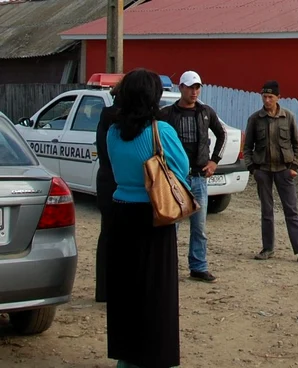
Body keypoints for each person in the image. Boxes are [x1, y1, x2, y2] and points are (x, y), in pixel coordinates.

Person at [105, 68, 189, 368]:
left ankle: (126, 358)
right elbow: (181, 168)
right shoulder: (161, 131)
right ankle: (155, 356)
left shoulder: (112, 132)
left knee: (125, 293)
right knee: (157, 294)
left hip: (120, 213)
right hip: (154, 216)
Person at [159, 70, 227, 282]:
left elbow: (222, 134)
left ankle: (198, 266)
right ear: (181, 87)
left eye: (197, 87)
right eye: (190, 87)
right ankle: (168, 267)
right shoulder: (166, 114)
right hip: (176, 177)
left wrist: (214, 161)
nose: (194, 91)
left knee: (199, 226)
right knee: (173, 225)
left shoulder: (206, 112)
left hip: (198, 176)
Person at [244, 80, 298, 265]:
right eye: (264, 96)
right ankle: (267, 248)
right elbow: (247, 147)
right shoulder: (255, 119)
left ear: (279, 97)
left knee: (291, 211)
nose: (267, 100)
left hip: (284, 171)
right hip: (263, 171)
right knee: (266, 211)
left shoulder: (289, 117)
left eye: (271, 97)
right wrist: (252, 169)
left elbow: (297, 145)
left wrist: (294, 167)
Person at [94, 82, 121, 303]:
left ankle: (103, 290)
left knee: (107, 235)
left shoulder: (106, 115)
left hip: (105, 180)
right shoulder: (116, 117)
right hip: (115, 181)